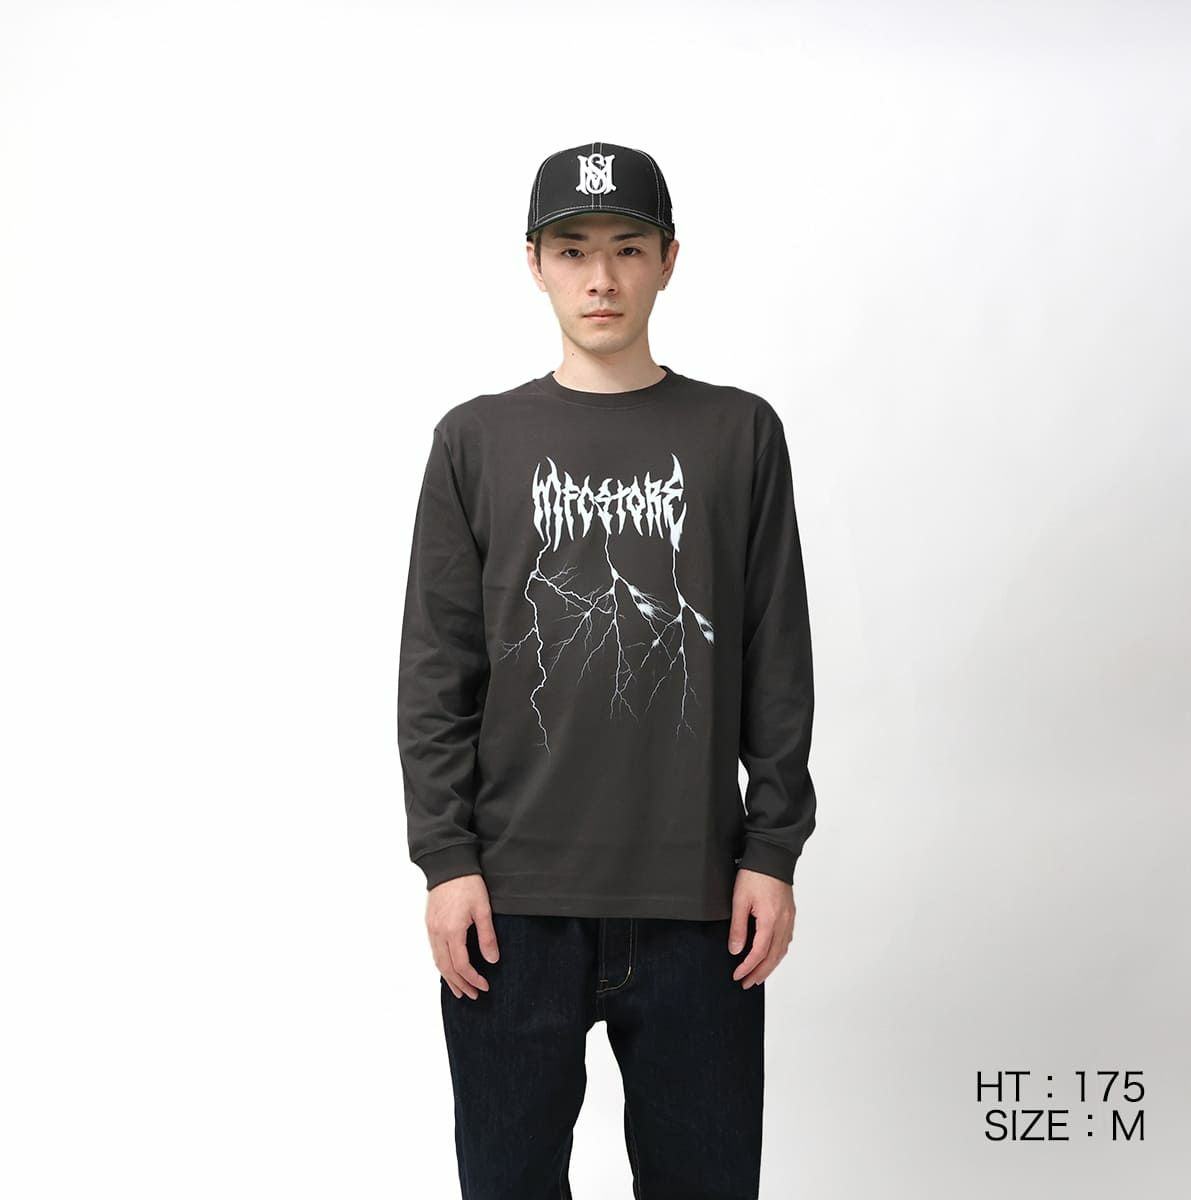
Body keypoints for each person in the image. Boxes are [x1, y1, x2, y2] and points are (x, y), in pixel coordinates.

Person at [396, 141, 818, 1200]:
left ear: (669, 260)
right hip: (511, 906)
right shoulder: (474, 441)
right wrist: (445, 860)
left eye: (628, 248)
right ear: (533, 263)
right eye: (573, 250)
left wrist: (772, 849)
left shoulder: (738, 433)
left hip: (698, 901)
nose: (601, 278)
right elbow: (437, 670)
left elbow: (776, 651)